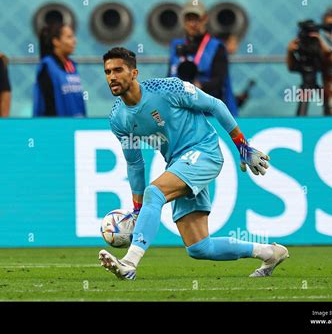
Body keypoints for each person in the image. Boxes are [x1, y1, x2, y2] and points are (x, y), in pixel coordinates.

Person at [99, 47, 289, 280]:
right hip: (178, 163)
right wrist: (137, 210)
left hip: (203, 151)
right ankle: (270, 252)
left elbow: (215, 105)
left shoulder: (167, 88)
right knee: (199, 247)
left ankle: (129, 262)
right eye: (107, 71)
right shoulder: (118, 118)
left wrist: (243, 145)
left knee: (155, 193)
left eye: (118, 70)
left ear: (134, 73)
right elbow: (135, 164)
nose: (112, 77)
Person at [168, 0, 238, 116]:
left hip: (209, 113)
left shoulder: (216, 47)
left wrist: (197, 86)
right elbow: (169, 76)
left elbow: (219, 81)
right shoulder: (176, 46)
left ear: (205, 19)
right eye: (189, 19)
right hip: (180, 112)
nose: (192, 24)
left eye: (196, 19)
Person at [33, 23, 86, 117]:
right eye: (69, 37)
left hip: (78, 125)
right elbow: (47, 103)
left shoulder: (72, 65)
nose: (74, 41)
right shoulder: (47, 66)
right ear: (56, 41)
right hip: (58, 127)